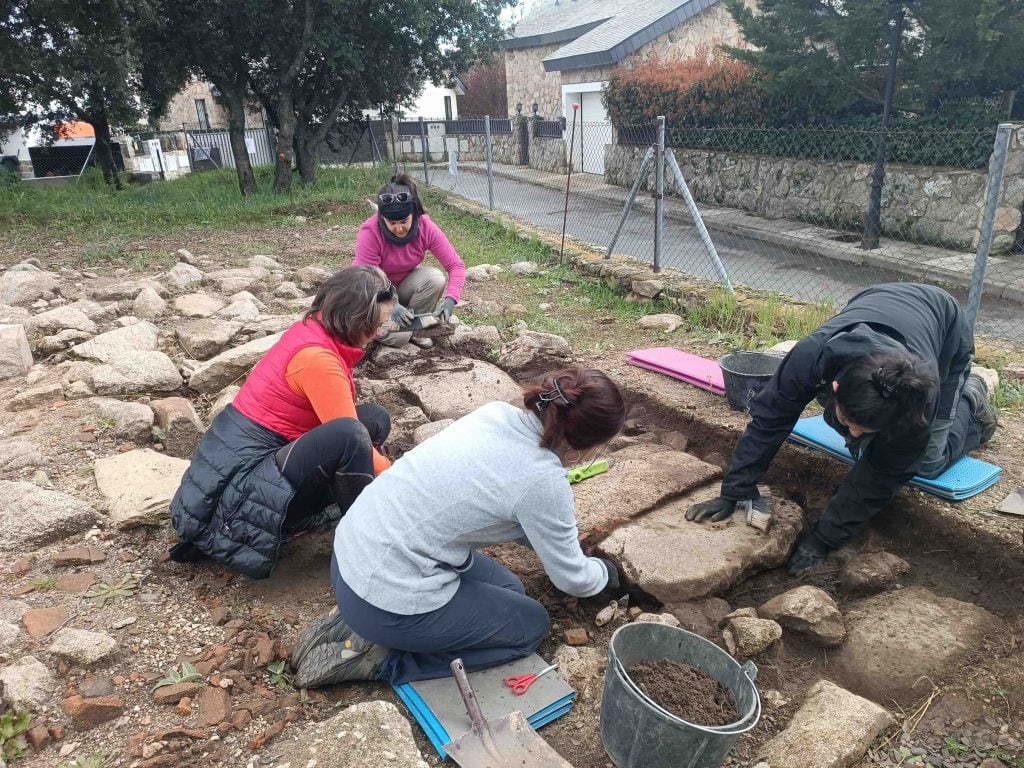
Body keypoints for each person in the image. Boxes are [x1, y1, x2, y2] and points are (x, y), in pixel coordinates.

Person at [288, 367, 627, 688]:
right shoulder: (544, 480)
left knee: (512, 591)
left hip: (352, 555)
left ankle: (359, 622)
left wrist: (556, 539)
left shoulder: (495, 414)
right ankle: (381, 660)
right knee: (530, 625)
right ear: (585, 442)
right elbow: (572, 579)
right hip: (385, 596)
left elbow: (510, 510)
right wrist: (605, 574)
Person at [685, 283, 998, 576]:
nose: (856, 433)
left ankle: (972, 402)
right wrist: (736, 489)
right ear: (834, 387)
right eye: (852, 423)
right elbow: (770, 419)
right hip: (877, 301)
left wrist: (824, 538)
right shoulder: (811, 356)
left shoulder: (915, 401)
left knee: (927, 463)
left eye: (867, 428)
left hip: (946, 332)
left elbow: (883, 476)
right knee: (853, 435)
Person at [169, 266, 396, 580]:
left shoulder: (312, 329)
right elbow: (347, 433)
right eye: (378, 324)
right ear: (356, 319)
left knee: (373, 420)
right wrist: (402, 482)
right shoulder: (317, 359)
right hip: (232, 499)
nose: (380, 333)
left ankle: (334, 513)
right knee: (351, 436)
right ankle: (370, 543)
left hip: (249, 465)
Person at [354, 173, 466, 350]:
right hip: (374, 294)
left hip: (403, 288)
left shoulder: (425, 227)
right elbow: (364, 279)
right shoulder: (370, 232)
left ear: (414, 213)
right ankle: (378, 326)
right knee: (400, 338)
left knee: (435, 278)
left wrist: (451, 300)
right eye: (391, 223)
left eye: (404, 221)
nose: (398, 228)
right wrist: (390, 304)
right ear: (382, 217)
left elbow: (456, 266)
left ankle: (414, 326)